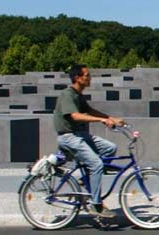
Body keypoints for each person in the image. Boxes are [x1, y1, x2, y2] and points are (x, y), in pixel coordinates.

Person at [53, 64, 124, 217]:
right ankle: (96, 205)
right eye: (87, 75)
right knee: (97, 164)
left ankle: (86, 180)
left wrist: (111, 119)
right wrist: (100, 120)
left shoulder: (79, 95)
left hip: (78, 135)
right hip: (68, 137)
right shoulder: (68, 94)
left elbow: (89, 110)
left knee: (109, 148)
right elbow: (74, 115)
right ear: (77, 78)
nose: (89, 78)